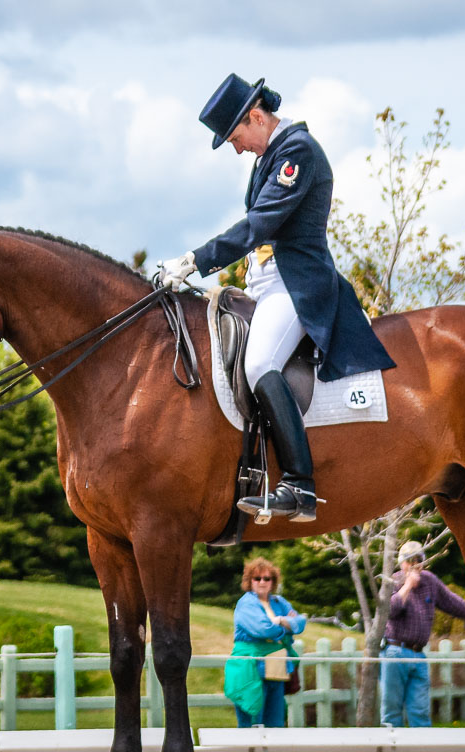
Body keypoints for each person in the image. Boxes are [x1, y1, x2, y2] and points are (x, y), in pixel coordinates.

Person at [158, 74, 396, 522]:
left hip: (296, 285)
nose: (236, 148)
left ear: (255, 116)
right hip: (263, 285)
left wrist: (195, 259)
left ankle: (300, 486)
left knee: (259, 362)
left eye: (235, 137)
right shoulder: (269, 157)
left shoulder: (297, 152)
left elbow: (258, 227)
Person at [380, 540, 465, 727]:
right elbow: (390, 611)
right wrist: (407, 586)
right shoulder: (393, 581)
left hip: (419, 654)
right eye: (410, 561)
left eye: (418, 560)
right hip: (395, 652)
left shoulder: (429, 581)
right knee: (391, 710)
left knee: (420, 710)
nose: (414, 565)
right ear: (402, 563)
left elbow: (452, 602)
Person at [223, 556, 307, 727]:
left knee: (276, 722)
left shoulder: (279, 602)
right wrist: (286, 626)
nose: (262, 582)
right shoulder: (246, 604)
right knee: (253, 721)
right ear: (249, 581)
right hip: (250, 668)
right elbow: (263, 629)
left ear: (273, 581)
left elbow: (301, 622)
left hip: (276, 668)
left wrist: (280, 620)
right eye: (257, 578)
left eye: (267, 578)